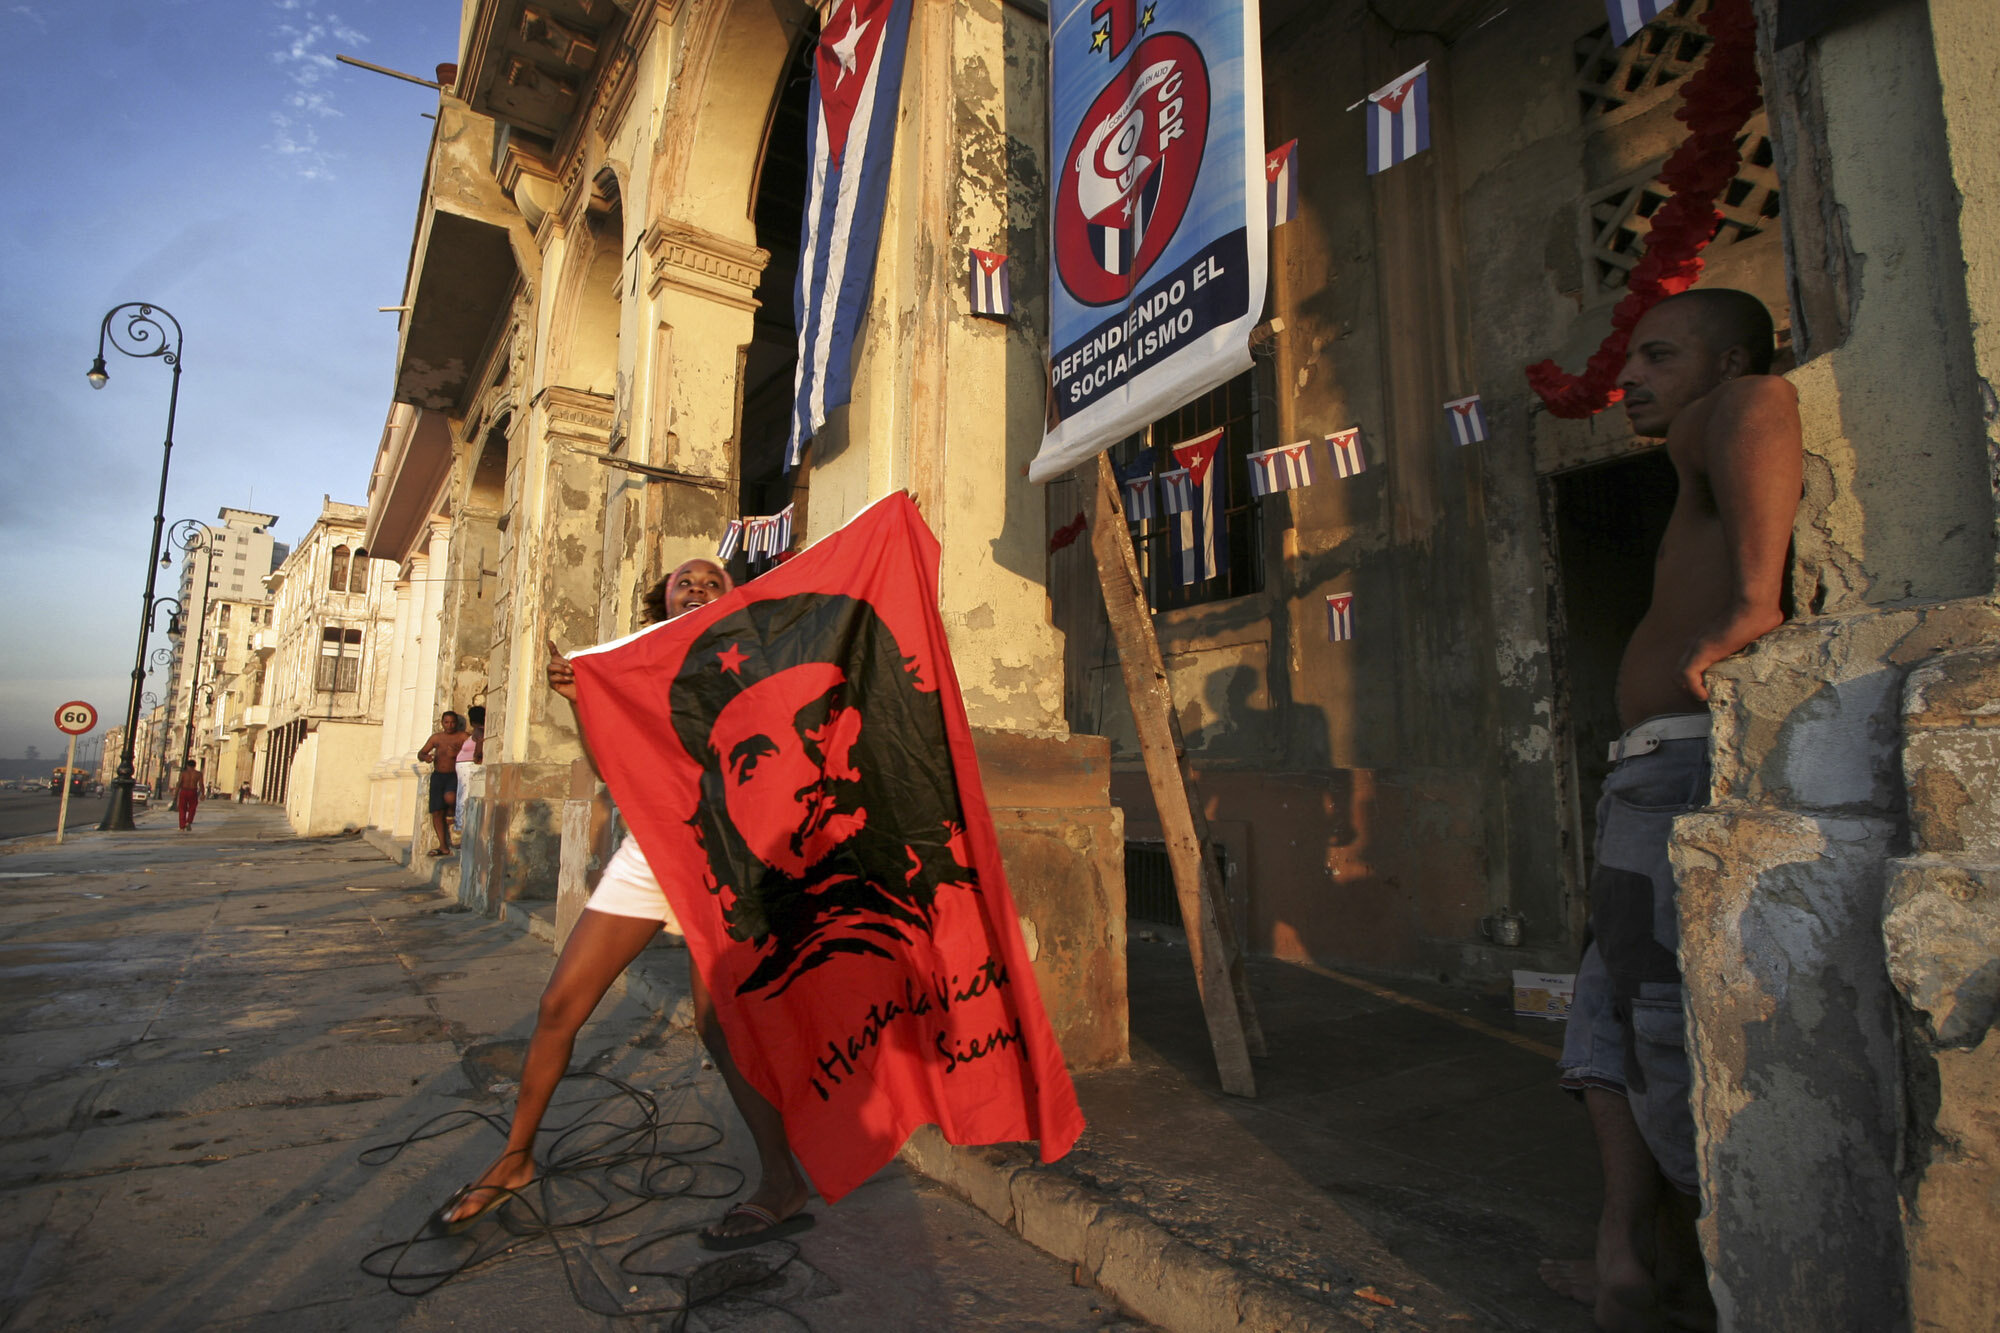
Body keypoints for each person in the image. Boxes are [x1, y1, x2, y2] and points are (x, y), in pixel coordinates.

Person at [1539, 288, 1802, 1332]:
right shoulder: (1684, 454)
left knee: (1657, 1023)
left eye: (1656, 356)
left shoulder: (1727, 408)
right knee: (1600, 1018)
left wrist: (1749, 605)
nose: (1628, 380)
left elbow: (1764, 406)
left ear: (1721, 358)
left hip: (1678, 769)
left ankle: (1732, 1276)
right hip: (1639, 777)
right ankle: (1626, 1255)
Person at [428, 557, 814, 1251]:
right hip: (652, 853)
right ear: (659, 598)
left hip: (725, 858)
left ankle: (782, 1179)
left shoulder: (750, 661)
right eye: (684, 581)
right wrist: (583, 700)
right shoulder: (630, 668)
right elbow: (611, 769)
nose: (697, 586)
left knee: (718, 1025)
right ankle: (515, 1158)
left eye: (713, 581)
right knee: (558, 1005)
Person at [416, 712, 465, 856]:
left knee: (450, 797)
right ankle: (443, 845)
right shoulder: (436, 738)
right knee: (436, 811)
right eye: (446, 722)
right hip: (438, 776)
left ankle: (451, 811)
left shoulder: (462, 737)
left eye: (452, 722)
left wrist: (458, 753)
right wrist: (426, 757)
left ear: (456, 723)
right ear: (442, 723)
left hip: (454, 775)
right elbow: (421, 753)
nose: (449, 725)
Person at [452, 706, 485, 836]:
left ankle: (461, 826)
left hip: (467, 766)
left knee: (464, 794)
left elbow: (480, 744)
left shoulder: (479, 731)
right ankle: (460, 824)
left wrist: (477, 756)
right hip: (463, 766)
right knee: (462, 793)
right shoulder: (478, 731)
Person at [174, 761, 202, 832]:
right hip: (193, 791)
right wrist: (203, 794)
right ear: (195, 766)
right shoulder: (198, 774)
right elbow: (201, 784)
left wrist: (176, 794)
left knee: (182, 808)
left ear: (187, 766)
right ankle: (188, 822)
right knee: (192, 808)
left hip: (184, 791)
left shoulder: (183, 773)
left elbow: (179, 783)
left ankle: (182, 826)